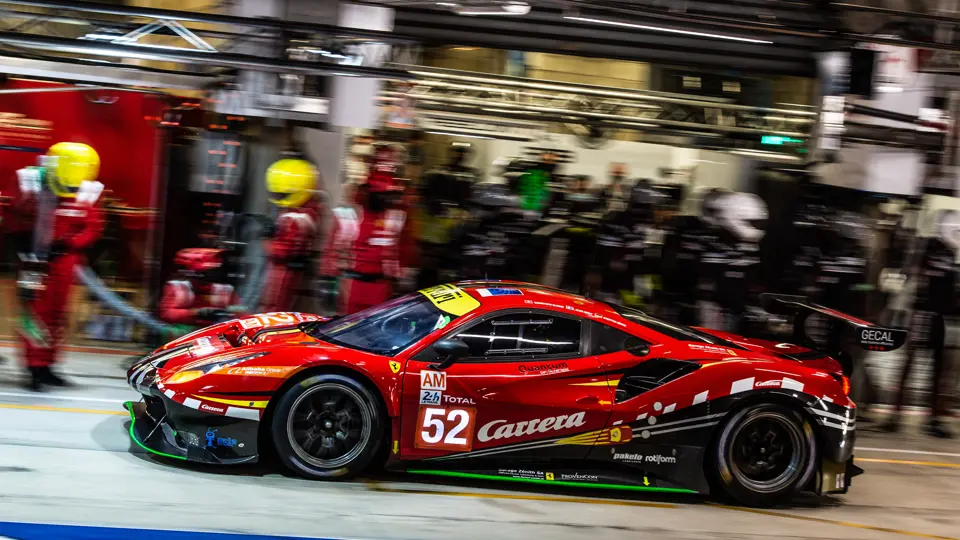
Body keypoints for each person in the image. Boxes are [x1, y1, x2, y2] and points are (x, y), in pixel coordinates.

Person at [16, 142, 105, 391]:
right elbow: (16, 217)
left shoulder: (88, 192)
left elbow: (94, 227)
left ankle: (48, 366)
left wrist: (68, 244)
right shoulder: (32, 183)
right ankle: (34, 368)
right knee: (35, 316)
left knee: (58, 316)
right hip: (34, 260)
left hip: (66, 260)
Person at [321, 143, 408, 314]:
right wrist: (327, 280)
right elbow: (332, 248)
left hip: (382, 286)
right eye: (379, 194)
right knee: (345, 331)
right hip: (351, 284)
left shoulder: (398, 216)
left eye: (386, 195)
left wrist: (401, 285)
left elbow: (404, 253)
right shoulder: (348, 213)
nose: (384, 199)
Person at [258, 157, 320, 313]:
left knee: (273, 310)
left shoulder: (295, 217)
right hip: (290, 270)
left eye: (282, 194)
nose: (278, 198)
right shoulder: (309, 210)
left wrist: (267, 240)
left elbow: (281, 251)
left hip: (284, 270)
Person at [158, 248, 237, 326]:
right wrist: (196, 313)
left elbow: (241, 313)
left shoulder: (226, 290)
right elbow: (165, 313)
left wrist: (228, 314)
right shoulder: (176, 287)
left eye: (214, 269)